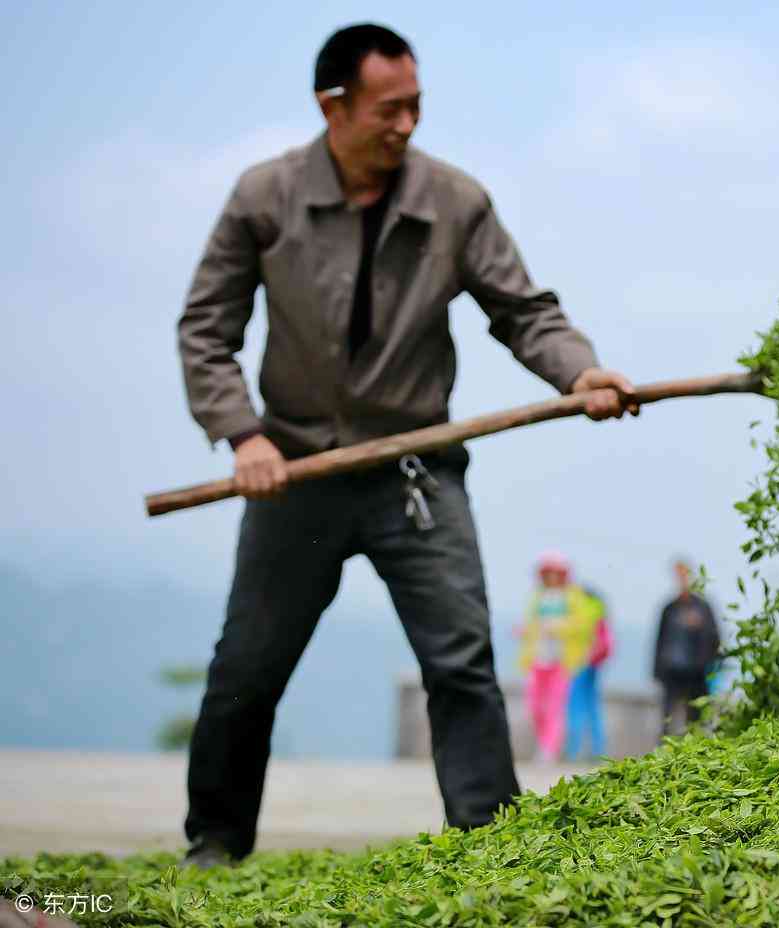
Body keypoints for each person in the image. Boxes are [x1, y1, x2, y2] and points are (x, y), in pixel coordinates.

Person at [176, 24, 638, 869]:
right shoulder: (265, 197)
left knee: (461, 660)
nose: (406, 124)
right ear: (334, 106)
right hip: (295, 474)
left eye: (417, 106)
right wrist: (242, 434)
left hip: (415, 472)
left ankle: (492, 849)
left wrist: (579, 373)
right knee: (246, 666)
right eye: (389, 109)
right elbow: (207, 330)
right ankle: (215, 840)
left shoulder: (453, 201)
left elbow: (523, 310)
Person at [518, 552, 600, 762]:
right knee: (535, 705)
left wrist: (560, 627)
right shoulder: (538, 596)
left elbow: (585, 624)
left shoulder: (574, 596)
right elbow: (532, 623)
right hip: (538, 659)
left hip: (562, 661)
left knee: (556, 707)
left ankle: (549, 749)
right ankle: (544, 742)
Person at [653, 559, 721, 736]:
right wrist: (657, 671)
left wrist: (707, 665)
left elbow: (714, 638)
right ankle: (664, 751)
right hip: (672, 671)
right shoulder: (670, 608)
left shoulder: (703, 608)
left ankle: (693, 749)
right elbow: (660, 640)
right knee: (668, 717)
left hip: (696, 673)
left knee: (695, 718)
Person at [563, 585, 612, 761]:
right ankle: (598, 750)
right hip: (594, 664)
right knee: (592, 707)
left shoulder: (583, 610)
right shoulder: (599, 609)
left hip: (581, 663)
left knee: (576, 707)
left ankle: (573, 751)